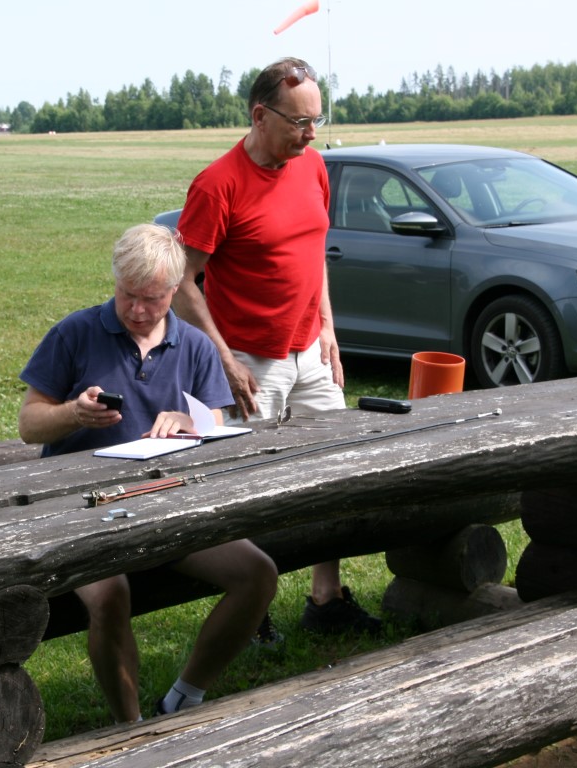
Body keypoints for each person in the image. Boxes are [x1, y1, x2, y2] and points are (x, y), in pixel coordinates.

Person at [17, 222, 278, 722]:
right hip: (83, 510)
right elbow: (30, 425)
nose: (137, 310)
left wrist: (188, 422)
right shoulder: (75, 333)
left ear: (177, 290)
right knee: (111, 594)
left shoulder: (197, 346)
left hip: (167, 501)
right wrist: (74, 413)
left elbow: (214, 424)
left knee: (257, 574)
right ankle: (130, 728)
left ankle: (185, 696)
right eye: (127, 295)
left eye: (152, 299)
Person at [173, 57, 382, 636]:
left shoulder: (313, 167)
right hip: (250, 362)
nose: (312, 133)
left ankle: (325, 598)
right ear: (260, 115)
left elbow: (314, 255)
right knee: (246, 486)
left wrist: (329, 330)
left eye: (318, 119)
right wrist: (221, 355)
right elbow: (182, 281)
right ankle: (253, 606)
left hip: (310, 352)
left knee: (333, 473)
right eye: (300, 122)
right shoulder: (217, 185)